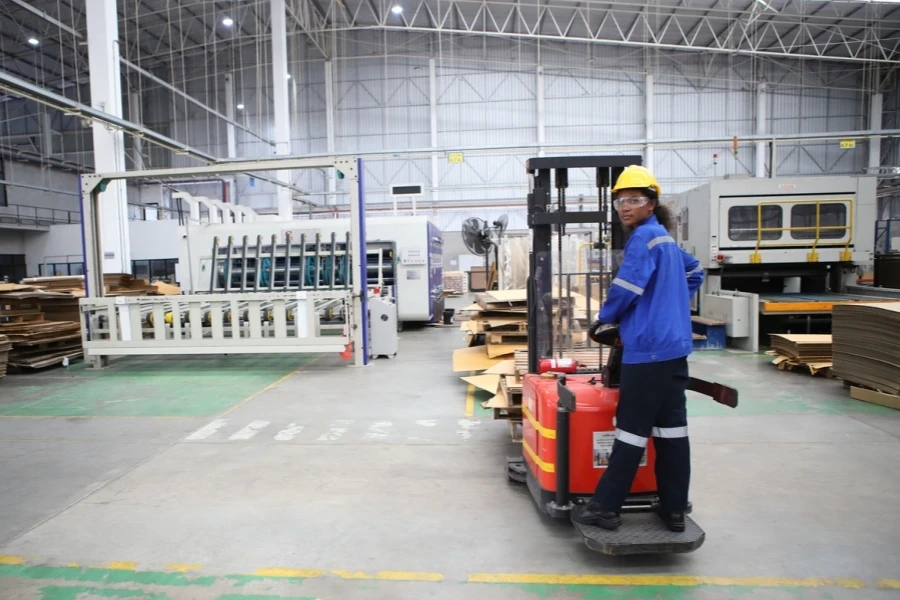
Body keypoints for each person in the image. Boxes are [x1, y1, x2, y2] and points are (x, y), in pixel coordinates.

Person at [573, 165, 704, 533]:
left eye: (634, 200)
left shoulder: (643, 240)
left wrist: (603, 319)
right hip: (674, 350)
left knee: (631, 431)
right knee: (672, 430)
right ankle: (674, 508)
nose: (624, 207)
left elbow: (626, 290)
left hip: (646, 351)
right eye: (620, 201)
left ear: (651, 203)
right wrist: (671, 300)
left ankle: (605, 508)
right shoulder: (665, 241)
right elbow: (695, 273)